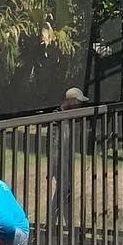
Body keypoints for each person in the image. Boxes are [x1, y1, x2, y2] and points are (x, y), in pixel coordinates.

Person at [49, 87, 88, 236]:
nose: (80, 106)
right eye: (78, 102)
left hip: (64, 159)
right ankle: (62, 224)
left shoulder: (66, 117)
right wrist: (54, 165)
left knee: (64, 191)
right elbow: (54, 145)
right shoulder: (57, 118)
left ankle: (59, 223)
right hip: (59, 160)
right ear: (72, 101)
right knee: (65, 190)